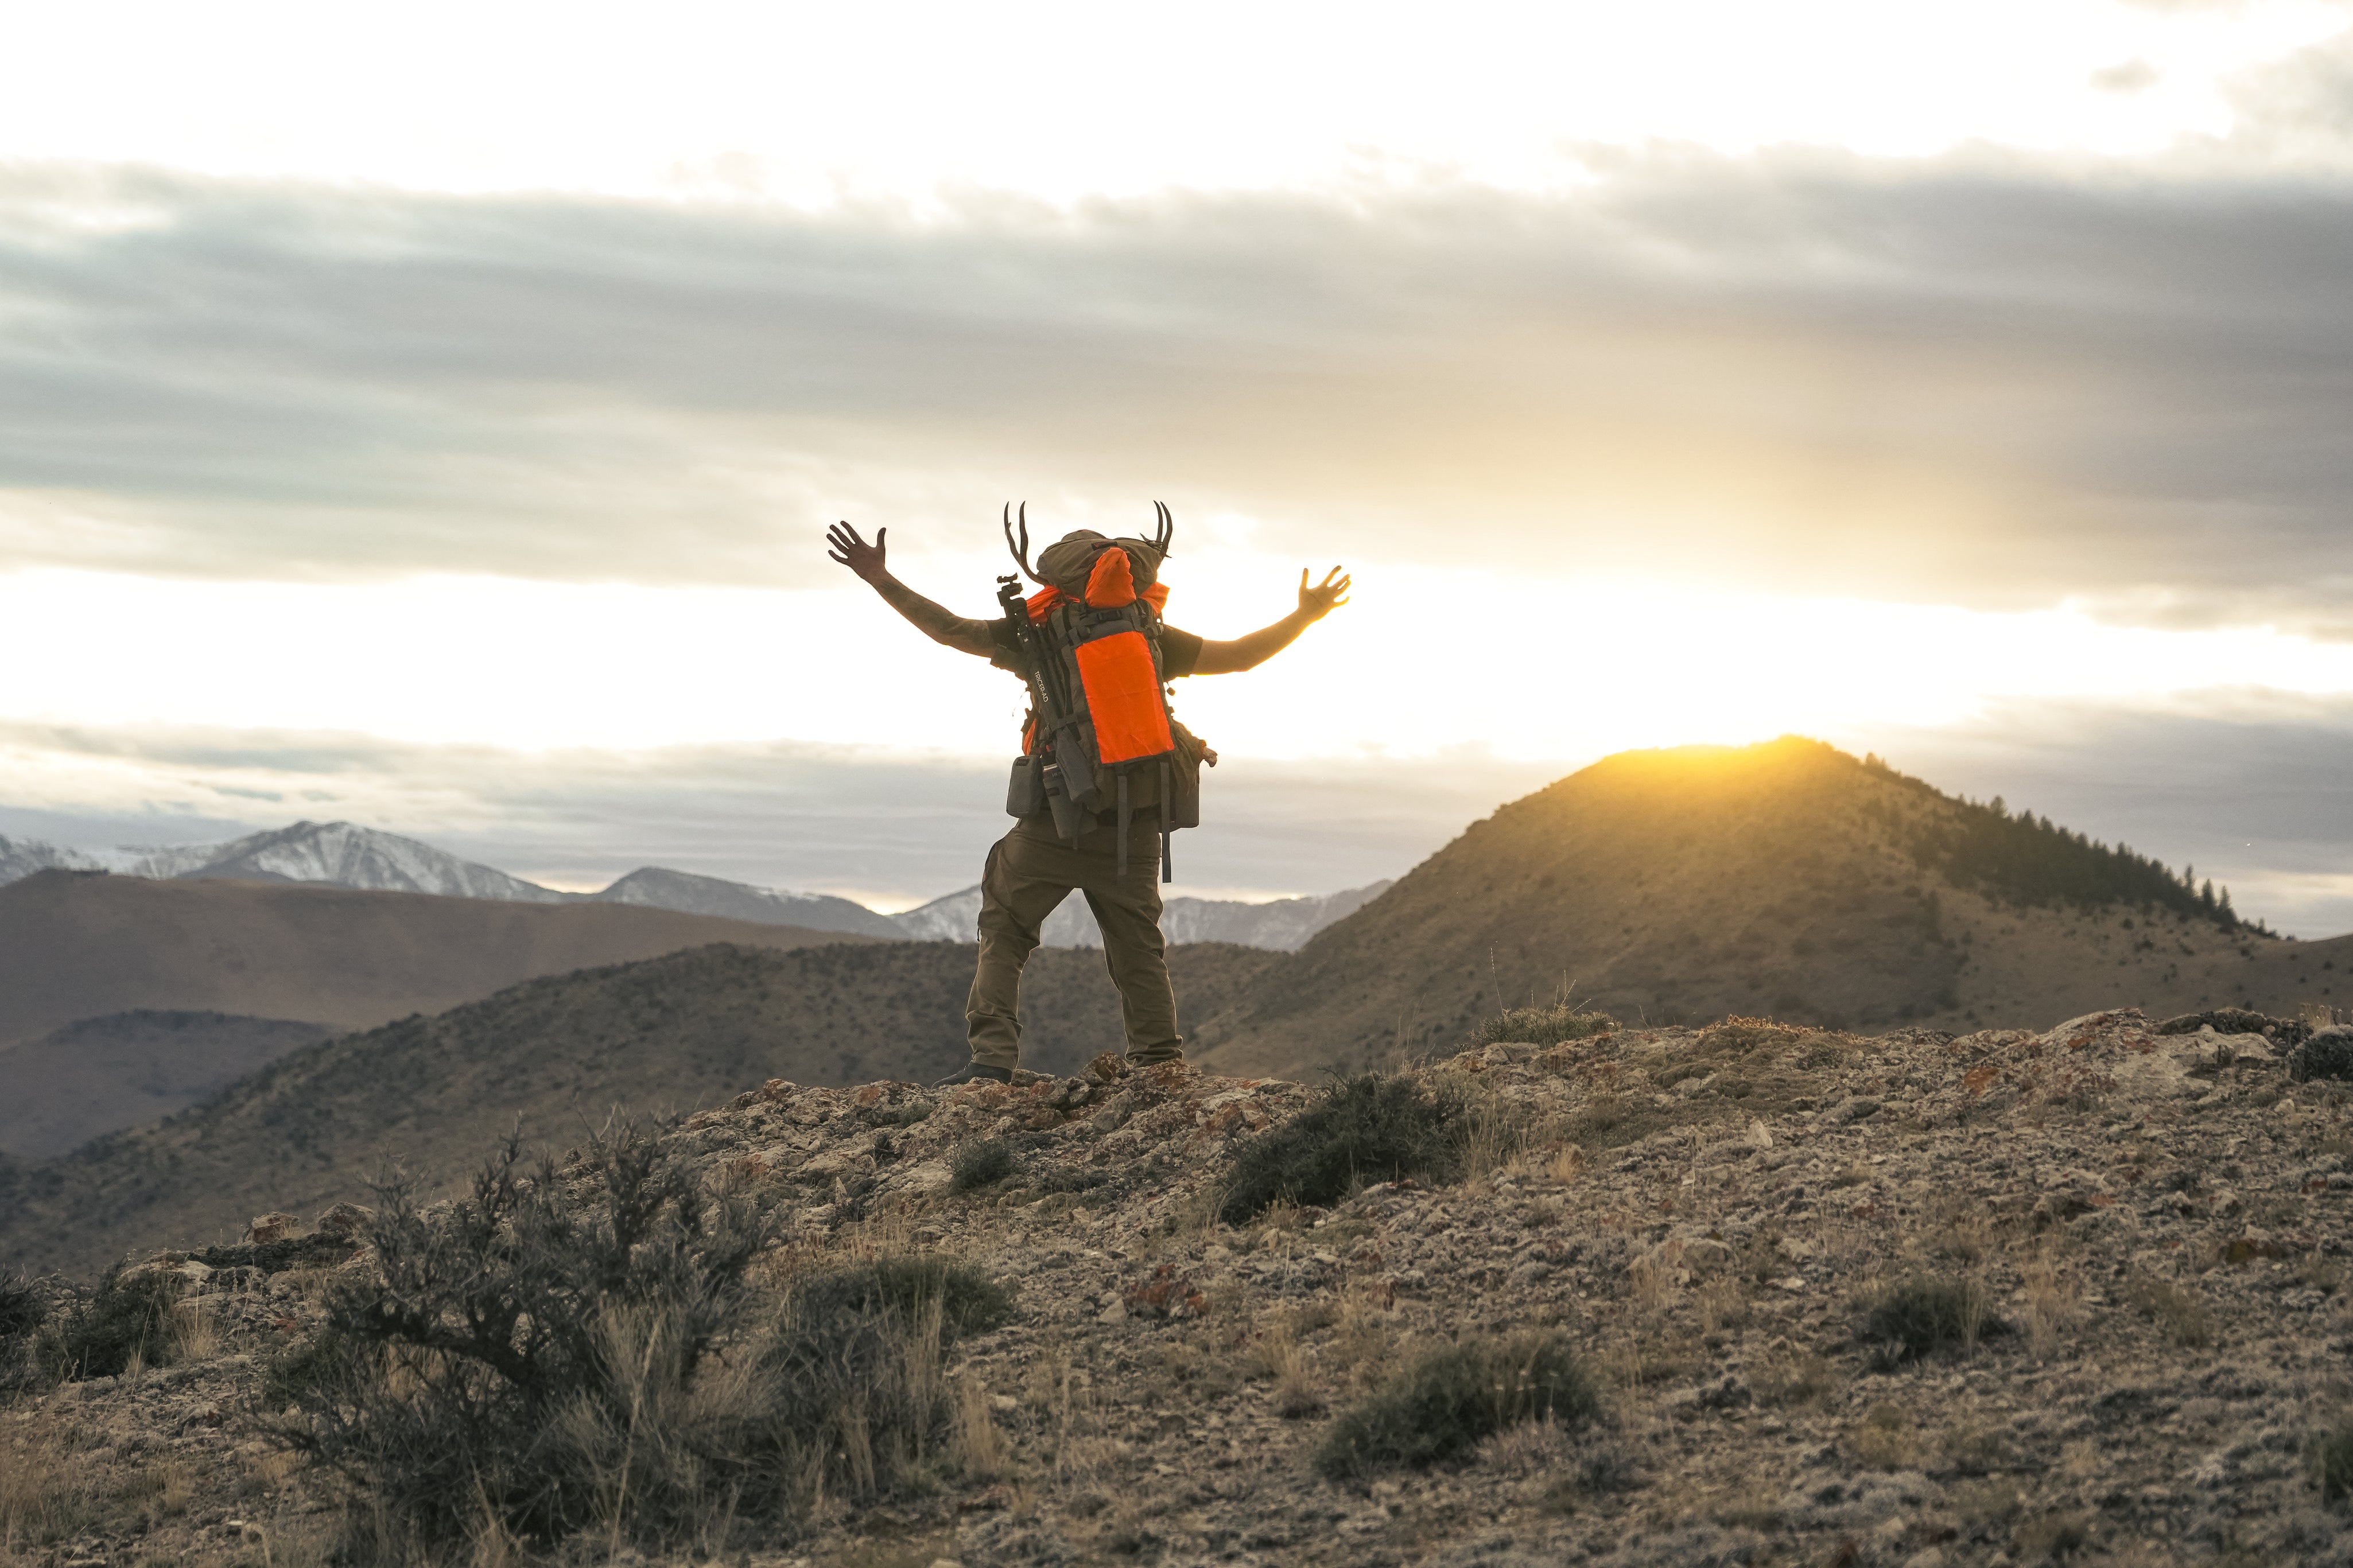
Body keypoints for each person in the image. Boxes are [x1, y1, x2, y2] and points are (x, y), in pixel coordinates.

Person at [825, 516, 1350, 1085]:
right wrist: (1305, 614)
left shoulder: (1038, 635)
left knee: (1003, 930)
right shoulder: (1148, 635)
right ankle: (1158, 1064)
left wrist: (879, 577)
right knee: (1138, 951)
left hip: (1054, 821)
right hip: (1135, 825)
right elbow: (1242, 655)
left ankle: (991, 1063)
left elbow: (948, 628)